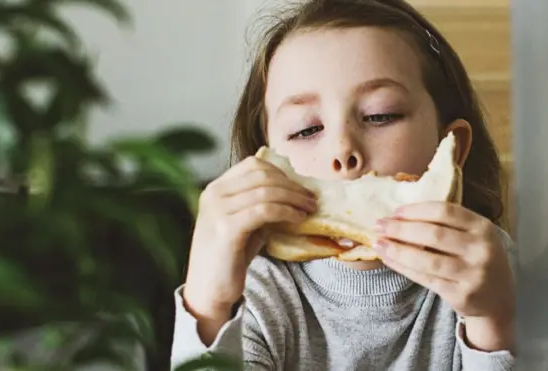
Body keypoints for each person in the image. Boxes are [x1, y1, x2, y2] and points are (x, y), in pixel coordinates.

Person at [171, 0, 517, 370]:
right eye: (306, 129)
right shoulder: (258, 290)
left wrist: (493, 321)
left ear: (450, 150)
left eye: (379, 115)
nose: (342, 151)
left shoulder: (489, 271)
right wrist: (209, 304)